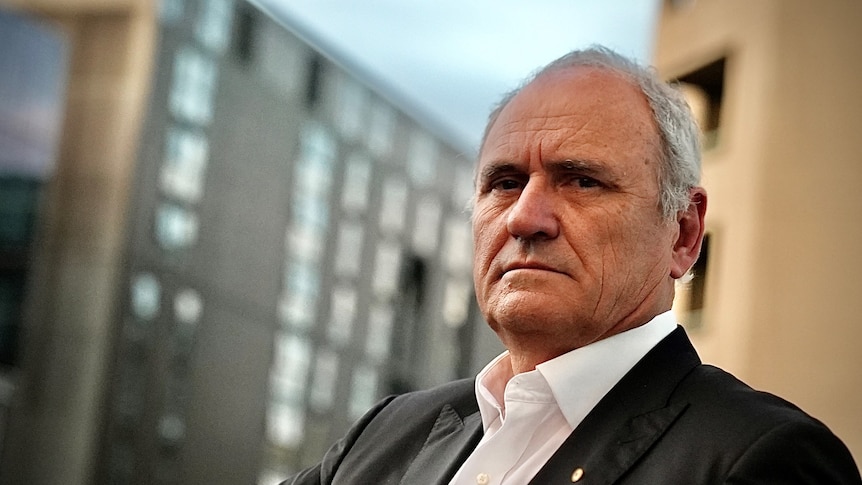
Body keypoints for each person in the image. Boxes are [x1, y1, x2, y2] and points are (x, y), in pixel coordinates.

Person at [282, 46, 861, 484]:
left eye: (581, 180)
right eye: (504, 183)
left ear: (683, 233)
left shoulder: (762, 457)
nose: (525, 218)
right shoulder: (384, 435)